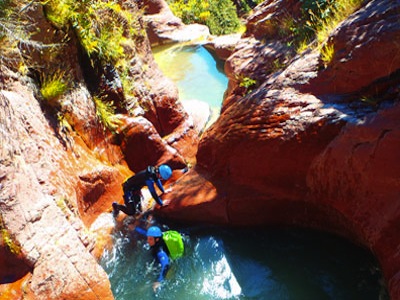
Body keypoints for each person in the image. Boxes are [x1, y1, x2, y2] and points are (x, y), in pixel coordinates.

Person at [145, 226, 170, 292]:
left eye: (150, 239)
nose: (147, 241)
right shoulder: (156, 239)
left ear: (157, 239)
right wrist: (135, 228)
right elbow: (145, 233)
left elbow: (166, 265)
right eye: (147, 238)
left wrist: (159, 281)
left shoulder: (160, 252)